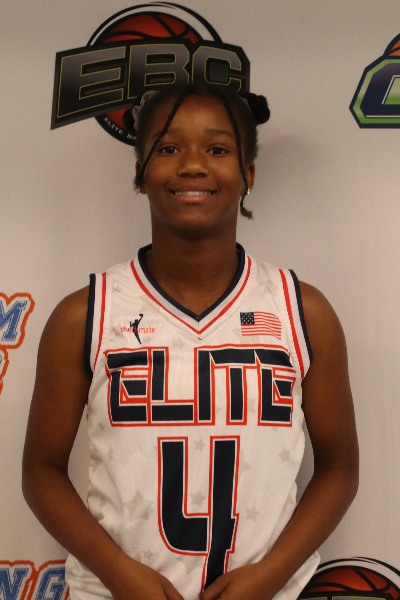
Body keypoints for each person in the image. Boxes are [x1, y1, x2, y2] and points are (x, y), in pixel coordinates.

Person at [22, 83, 359, 600]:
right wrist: (117, 571)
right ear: (141, 173)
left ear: (248, 174)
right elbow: (41, 472)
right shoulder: (84, 315)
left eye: (218, 149)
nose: (193, 165)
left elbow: (339, 469)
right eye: (169, 148)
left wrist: (271, 574)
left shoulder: (301, 311)